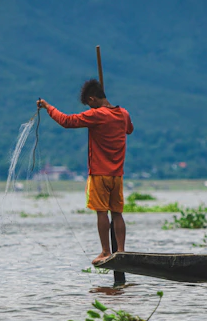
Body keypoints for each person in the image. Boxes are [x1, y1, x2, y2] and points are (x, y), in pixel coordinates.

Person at [37, 78, 134, 265]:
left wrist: (48, 106)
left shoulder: (97, 115)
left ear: (92, 99)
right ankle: (121, 251)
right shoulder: (123, 113)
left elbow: (66, 121)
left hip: (99, 173)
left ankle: (106, 251)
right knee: (117, 213)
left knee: (101, 212)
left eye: (90, 104)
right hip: (117, 174)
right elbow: (129, 130)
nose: (90, 108)